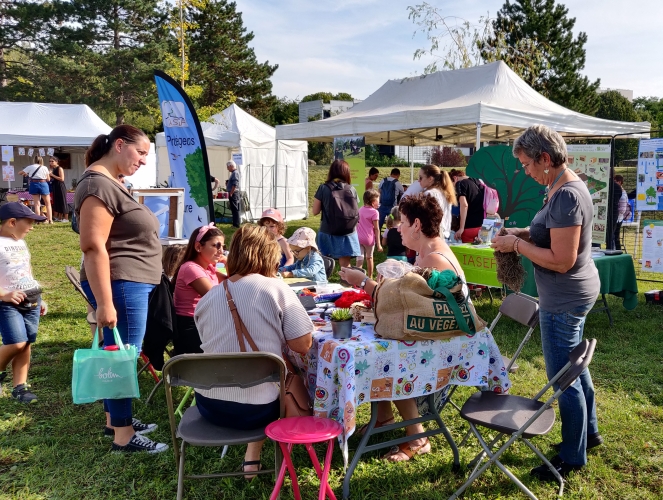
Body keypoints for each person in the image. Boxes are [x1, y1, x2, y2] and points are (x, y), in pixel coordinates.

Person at [491, 124, 601, 481]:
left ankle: (572, 456)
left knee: (562, 380)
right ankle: (590, 434)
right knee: (575, 368)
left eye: (526, 164)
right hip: (572, 293)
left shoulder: (566, 194)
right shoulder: (563, 186)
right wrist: (519, 234)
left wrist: (516, 246)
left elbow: (561, 259)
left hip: (563, 298)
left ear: (545, 158)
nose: (525, 171)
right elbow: (550, 234)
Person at [340, 193, 467, 462]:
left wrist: (364, 282)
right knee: (378, 343)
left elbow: (403, 306)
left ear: (417, 225)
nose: (398, 227)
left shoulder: (435, 259)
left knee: (387, 354)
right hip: (432, 336)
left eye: (403, 222)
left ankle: (419, 438)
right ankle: (384, 418)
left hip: (446, 347)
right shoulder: (427, 253)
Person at [75, 124, 168, 454]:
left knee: (115, 354)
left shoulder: (110, 182)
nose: (143, 161)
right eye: (141, 152)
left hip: (127, 283)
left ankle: (115, 420)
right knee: (122, 359)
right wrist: (104, 302)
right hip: (120, 284)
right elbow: (93, 246)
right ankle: (124, 436)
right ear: (118, 144)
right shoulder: (97, 183)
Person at [194, 225, 313, 478]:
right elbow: (302, 345)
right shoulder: (275, 288)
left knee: (255, 375)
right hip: (260, 410)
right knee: (269, 378)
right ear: (270, 255)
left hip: (210, 407)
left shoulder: (206, 300)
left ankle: (252, 456)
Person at [0, 202, 48, 403]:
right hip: (8, 302)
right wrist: (4, 295)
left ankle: (20, 387)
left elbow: (25, 270)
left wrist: (39, 296)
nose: (31, 227)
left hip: (31, 299)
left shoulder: (20, 242)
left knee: (26, 342)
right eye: (28, 223)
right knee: (16, 342)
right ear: (12, 222)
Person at [172, 223, 225, 354]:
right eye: (215, 245)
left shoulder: (209, 268)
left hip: (204, 322)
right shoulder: (191, 268)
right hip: (190, 326)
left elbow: (233, 284)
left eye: (223, 246)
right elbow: (215, 296)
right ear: (198, 247)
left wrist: (228, 263)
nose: (221, 251)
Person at [312, 159, 361, 269]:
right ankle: (347, 284)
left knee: (323, 265)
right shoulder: (352, 189)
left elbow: (315, 211)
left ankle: (322, 285)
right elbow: (355, 210)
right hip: (348, 232)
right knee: (345, 266)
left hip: (327, 231)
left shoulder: (323, 188)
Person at [418, 164, 457, 239]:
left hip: (432, 234)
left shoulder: (430, 193)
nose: (419, 180)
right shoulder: (445, 192)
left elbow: (426, 217)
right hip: (444, 232)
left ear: (430, 179)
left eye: (421, 177)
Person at [356, 189, 382, 278]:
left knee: (359, 258)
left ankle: (357, 277)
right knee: (369, 257)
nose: (379, 202)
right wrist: (379, 244)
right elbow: (377, 229)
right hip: (369, 239)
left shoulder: (360, 209)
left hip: (359, 237)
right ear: (373, 201)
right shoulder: (375, 212)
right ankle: (370, 277)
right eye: (378, 200)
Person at [20, 156, 53, 224]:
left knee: (37, 204)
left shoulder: (30, 167)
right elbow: (48, 179)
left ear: (34, 160)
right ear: (41, 160)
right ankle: (50, 220)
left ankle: (38, 220)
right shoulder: (45, 167)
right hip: (43, 184)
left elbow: (20, 173)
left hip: (34, 184)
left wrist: (26, 173)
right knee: (48, 204)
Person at [454, 171, 484, 243]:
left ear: (455, 178)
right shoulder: (478, 181)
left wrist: (461, 228)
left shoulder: (460, 183)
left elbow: (464, 205)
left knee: (465, 253)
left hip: (468, 227)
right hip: (481, 226)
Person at [611, 175, 629, 251]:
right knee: (615, 236)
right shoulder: (619, 192)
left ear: (619, 182)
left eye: (615, 181)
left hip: (618, 218)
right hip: (617, 218)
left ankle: (617, 251)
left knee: (615, 237)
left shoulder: (623, 194)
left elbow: (622, 210)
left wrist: (615, 208)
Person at [48, 157, 69, 222]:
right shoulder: (53, 169)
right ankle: (59, 217)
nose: (51, 162)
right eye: (50, 161)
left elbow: (62, 179)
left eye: (52, 161)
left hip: (60, 186)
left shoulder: (60, 168)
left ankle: (66, 218)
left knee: (63, 202)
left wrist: (52, 175)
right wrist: (49, 175)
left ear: (56, 161)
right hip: (55, 186)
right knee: (57, 202)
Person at [225, 161, 241, 228]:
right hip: (233, 192)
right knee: (234, 208)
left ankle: (236, 224)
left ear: (231, 166)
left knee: (235, 208)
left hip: (234, 193)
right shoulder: (234, 173)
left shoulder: (235, 173)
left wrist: (231, 193)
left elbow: (235, 184)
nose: (227, 169)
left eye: (228, 167)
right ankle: (235, 223)